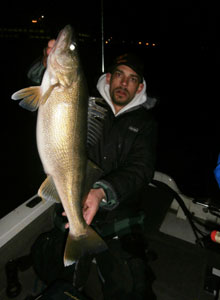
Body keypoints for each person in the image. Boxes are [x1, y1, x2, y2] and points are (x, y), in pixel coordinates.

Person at [28, 40, 158, 299]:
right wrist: (45, 64)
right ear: (108, 78)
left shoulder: (146, 124)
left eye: (132, 79)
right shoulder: (84, 103)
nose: (123, 83)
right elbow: (43, 85)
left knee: (132, 287)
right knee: (52, 273)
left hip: (120, 218)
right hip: (72, 203)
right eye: (119, 75)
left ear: (140, 87)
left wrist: (101, 192)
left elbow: (141, 169)